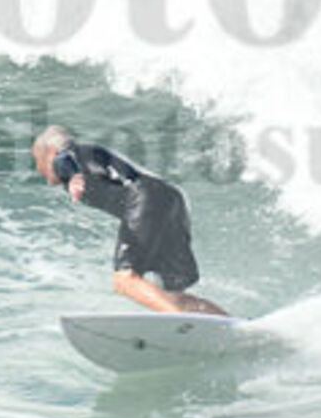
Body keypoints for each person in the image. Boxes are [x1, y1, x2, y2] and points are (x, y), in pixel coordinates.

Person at [31, 125, 230, 316]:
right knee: (173, 296)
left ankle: (182, 323)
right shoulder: (91, 154)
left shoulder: (67, 156)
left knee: (124, 280)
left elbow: (64, 158)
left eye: (36, 160)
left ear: (49, 152)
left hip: (145, 197)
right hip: (171, 197)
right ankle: (229, 325)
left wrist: (74, 177)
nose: (38, 168)